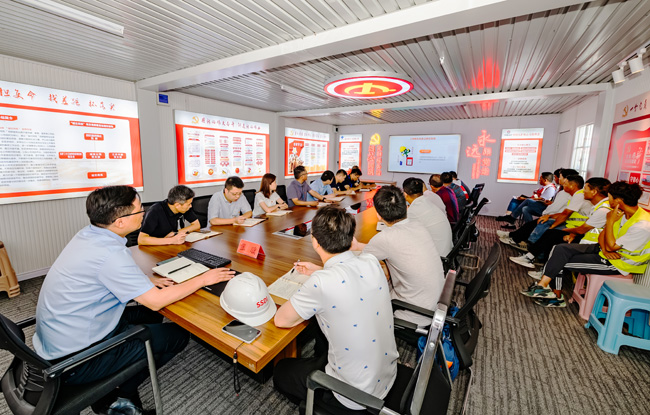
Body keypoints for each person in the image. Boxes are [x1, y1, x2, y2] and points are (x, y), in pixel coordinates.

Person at [33, 186, 235, 413]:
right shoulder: (110, 254)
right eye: (139, 210)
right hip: (77, 360)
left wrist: (145, 282)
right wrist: (203, 279)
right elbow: (156, 301)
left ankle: (121, 379)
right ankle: (118, 392)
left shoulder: (89, 235)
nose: (144, 213)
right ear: (120, 222)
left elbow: (103, 274)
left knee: (150, 315)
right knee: (178, 336)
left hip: (64, 336)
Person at [273, 206, 398, 412]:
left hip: (352, 395)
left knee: (281, 370)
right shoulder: (371, 261)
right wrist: (320, 270)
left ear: (314, 241)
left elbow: (281, 320)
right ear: (350, 237)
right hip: (387, 375)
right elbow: (348, 277)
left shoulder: (321, 283)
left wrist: (318, 276)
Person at [521, 182, 650, 308]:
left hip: (619, 263)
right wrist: (605, 249)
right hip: (604, 251)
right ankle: (542, 286)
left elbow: (612, 246)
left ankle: (556, 297)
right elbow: (602, 236)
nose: (607, 200)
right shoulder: (622, 213)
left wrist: (610, 222)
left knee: (559, 261)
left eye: (609, 197)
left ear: (618, 201)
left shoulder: (642, 225)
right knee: (560, 249)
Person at [351, 186, 445, 332]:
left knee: (360, 290)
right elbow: (380, 248)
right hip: (436, 304)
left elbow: (357, 266)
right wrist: (358, 246)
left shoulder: (385, 238)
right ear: (406, 207)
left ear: (378, 215)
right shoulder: (418, 225)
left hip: (414, 313)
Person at [509, 177, 611, 270]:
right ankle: (535, 260)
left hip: (592, 243)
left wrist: (567, 231)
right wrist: (571, 233)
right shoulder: (598, 205)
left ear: (594, 192)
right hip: (583, 235)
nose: (583, 191)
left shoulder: (603, 209)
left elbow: (582, 228)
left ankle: (535, 261)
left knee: (552, 235)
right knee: (551, 233)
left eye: (585, 189)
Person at [403, 177, 453, 256]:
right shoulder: (427, 201)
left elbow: (405, 234)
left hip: (437, 257)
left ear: (405, 194)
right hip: (447, 251)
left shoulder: (414, 210)